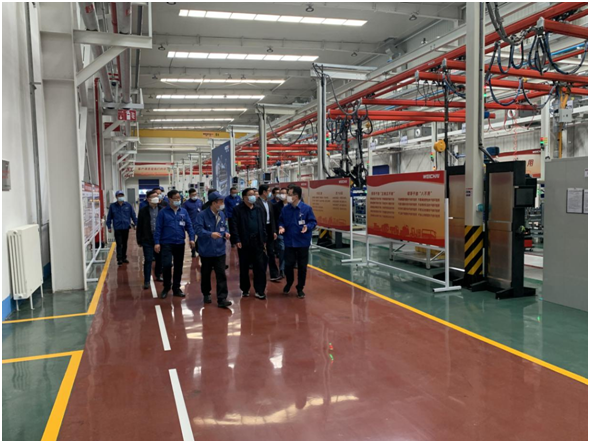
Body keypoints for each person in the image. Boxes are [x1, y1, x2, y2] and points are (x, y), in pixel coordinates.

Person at [154, 190, 195, 299]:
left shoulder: (183, 212)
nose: (178, 200)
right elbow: (158, 228)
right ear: (170, 199)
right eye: (176, 198)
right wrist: (157, 242)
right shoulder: (163, 212)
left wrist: (192, 239)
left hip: (179, 243)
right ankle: (166, 286)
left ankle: (176, 288)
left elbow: (189, 226)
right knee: (167, 265)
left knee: (178, 266)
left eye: (179, 198)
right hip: (166, 243)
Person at [195, 192, 232, 309]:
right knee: (206, 274)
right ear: (213, 203)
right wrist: (210, 234)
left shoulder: (221, 214)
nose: (222, 204)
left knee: (221, 274)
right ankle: (206, 293)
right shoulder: (202, 215)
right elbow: (198, 230)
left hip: (220, 250)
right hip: (206, 250)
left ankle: (222, 298)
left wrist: (226, 233)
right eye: (220, 202)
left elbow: (224, 227)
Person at [278, 185, 317, 298]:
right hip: (289, 242)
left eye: (290, 194)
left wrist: (307, 227)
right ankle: (289, 282)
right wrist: (281, 227)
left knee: (302, 266)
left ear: (296, 196)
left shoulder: (306, 209)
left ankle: (300, 288)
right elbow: (281, 221)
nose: (288, 197)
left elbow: (313, 222)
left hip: (302, 242)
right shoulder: (285, 209)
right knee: (288, 265)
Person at [230, 188, 268, 300]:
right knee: (244, 266)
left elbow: (263, 224)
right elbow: (234, 226)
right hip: (244, 242)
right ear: (244, 197)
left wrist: (264, 238)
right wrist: (237, 240)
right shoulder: (237, 210)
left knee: (260, 266)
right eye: (250, 194)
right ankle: (245, 289)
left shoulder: (259, 208)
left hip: (258, 241)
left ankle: (260, 290)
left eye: (254, 194)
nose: (253, 196)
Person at [136, 189, 163, 289]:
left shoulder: (162, 210)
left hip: (160, 239)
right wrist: (139, 239)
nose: (156, 198)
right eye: (153, 197)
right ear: (148, 199)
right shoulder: (143, 211)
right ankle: (147, 280)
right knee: (148, 260)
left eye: (157, 196)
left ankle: (158, 275)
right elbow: (139, 226)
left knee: (159, 259)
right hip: (147, 238)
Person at [106, 190, 137, 266]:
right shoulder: (112, 206)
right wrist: (109, 226)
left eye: (121, 195)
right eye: (119, 196)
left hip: (126, 227)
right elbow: (109, 217)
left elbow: (133, 215)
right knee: (119, 243)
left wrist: (136, 224)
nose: (120, 197)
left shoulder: (128, 205)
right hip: (117, 228)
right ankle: (119, 258)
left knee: (125, 243)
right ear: (116, 197)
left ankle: (124, 257)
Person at [256, 184, 279, 281]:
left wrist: (274, 231)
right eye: (269, 191)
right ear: (264, 192)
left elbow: (272, 218)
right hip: (260, 229)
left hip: (269, 228)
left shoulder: (269, 203)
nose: (270, 193)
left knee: (271, 252)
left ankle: (274, 274)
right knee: (261, 253)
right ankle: (260, 273)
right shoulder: (256, 203)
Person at [272, 187, 288, 279]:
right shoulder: (276, 206)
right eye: (281, 193)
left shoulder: (292, 205)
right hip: (280, 232)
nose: (282, 195)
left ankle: (287, 267)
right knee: (282, 249)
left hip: (291, 232)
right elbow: (274, 220)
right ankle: (282, 269)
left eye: (284, 193)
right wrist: (275, 231)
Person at [183, 188, 203, 258]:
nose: (194, 196)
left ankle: (199, 249)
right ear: (189, 195)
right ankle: (193, 251)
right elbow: (184, 214)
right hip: (191, 223)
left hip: (200, 223)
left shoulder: (200, 202)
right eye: (193, 195)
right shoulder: (186, 204)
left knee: (201, 236)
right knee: (192, 238)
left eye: (195, 194)